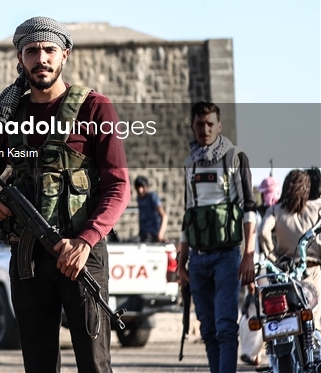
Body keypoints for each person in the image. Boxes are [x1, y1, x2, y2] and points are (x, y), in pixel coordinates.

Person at [0, 16, 130, 373]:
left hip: (80, 254)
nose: (41, 58)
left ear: (64, 54)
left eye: (49, 50)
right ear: (20, 58)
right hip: (28, 260)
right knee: (38, 365)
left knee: (94, 364)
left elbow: (118, 185)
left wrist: (85, 241)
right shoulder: (11, 115)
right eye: (32, 51)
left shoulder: (94, 107)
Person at [175, 101, 256, 373]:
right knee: (208, 330)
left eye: (210, 124)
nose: (205, 129)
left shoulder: (235, 157)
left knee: (225, 328)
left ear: (219, 126)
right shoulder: (189, 164)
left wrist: (248, 255)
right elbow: (188, 213)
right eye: (200, 124)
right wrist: (181, 262)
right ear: (192, 126)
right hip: (198, 261)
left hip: (227, 257)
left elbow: (249, 207)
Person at [258, 169, 321, 330]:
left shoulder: (275, 210)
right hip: (312, 273)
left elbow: (263, 232)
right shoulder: (317, 208)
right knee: (314, 324)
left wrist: (273, 257)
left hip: (284, 273)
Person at [134, 175, 168, 242]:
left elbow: (164, 216)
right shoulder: (139, 199)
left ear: (147, 187)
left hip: (153, 234)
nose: (140, 190)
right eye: (138, 188)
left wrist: (160, 235)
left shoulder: (152, 197)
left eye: (142, 187)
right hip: (143, 234)